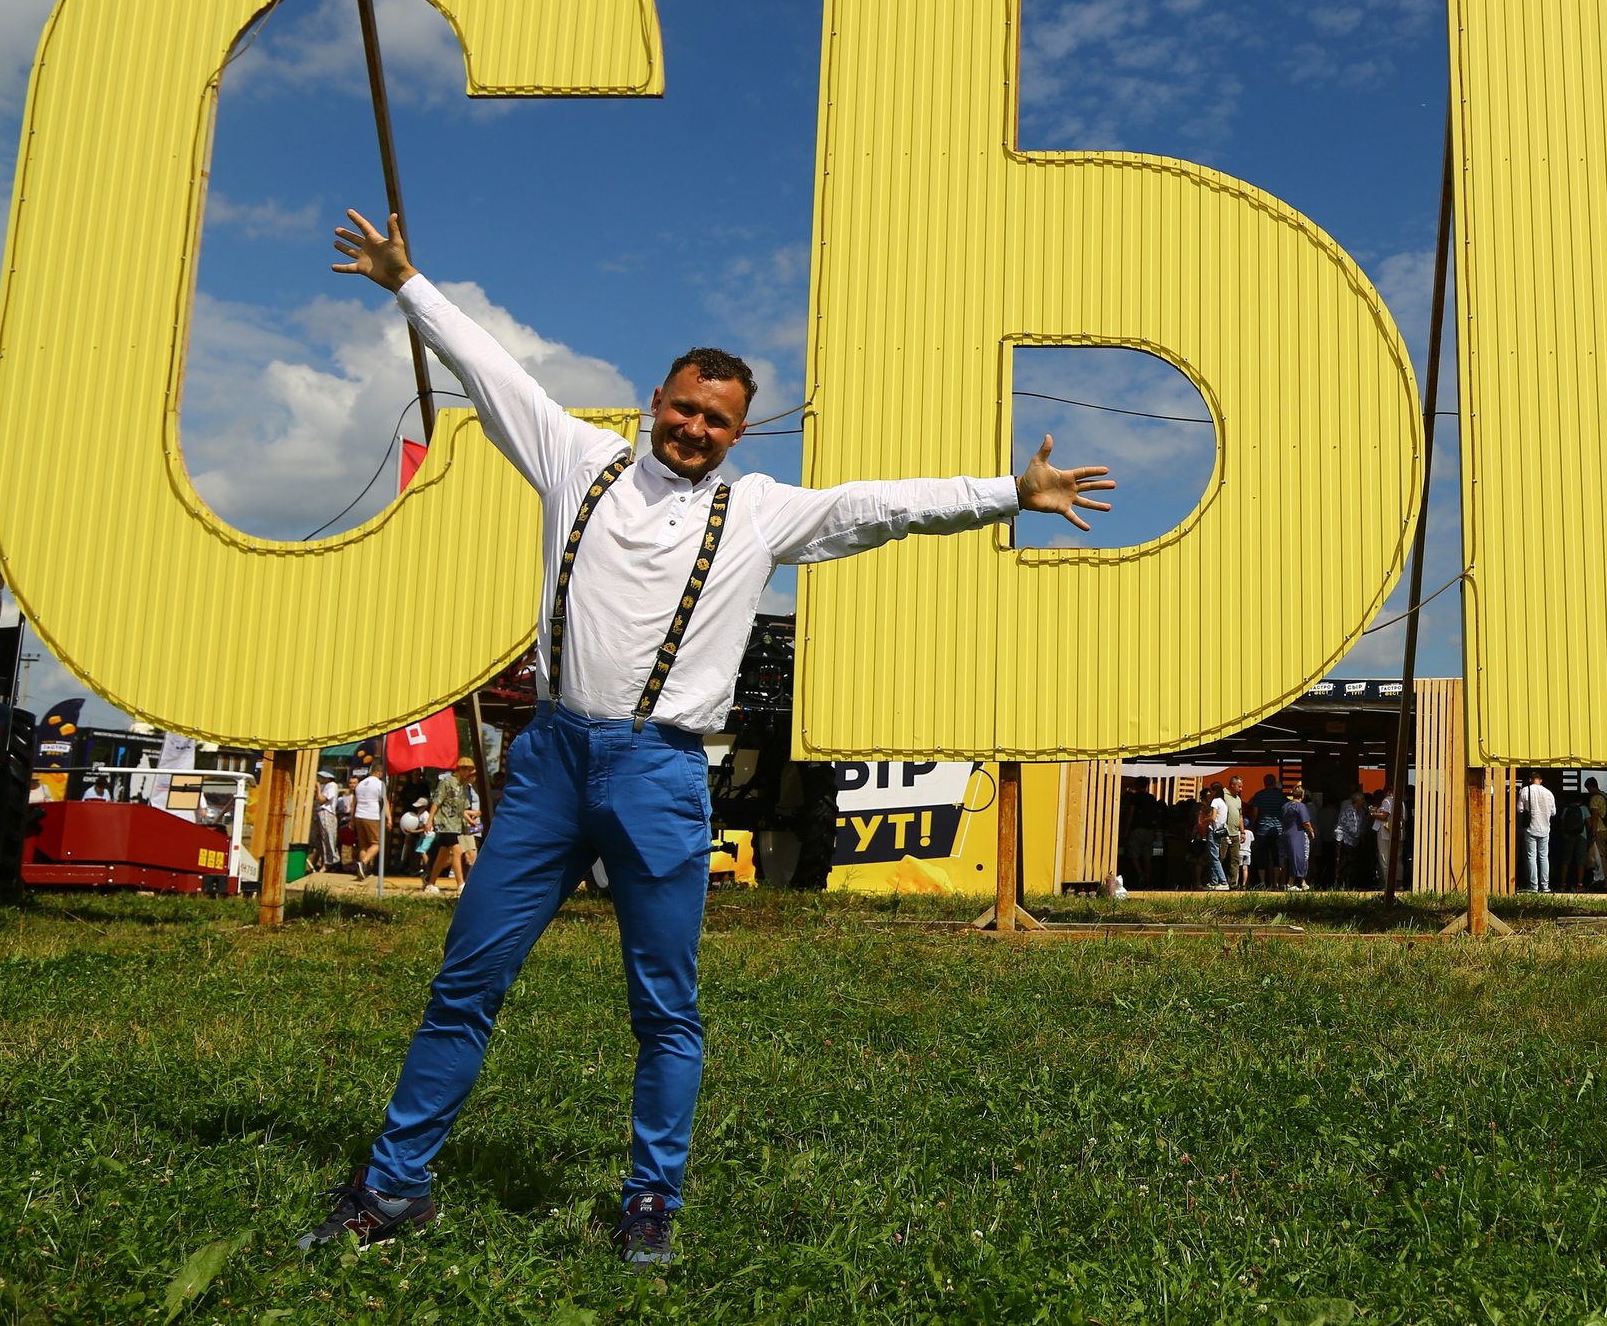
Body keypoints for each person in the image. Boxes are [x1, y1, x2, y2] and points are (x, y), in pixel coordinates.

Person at [296, 208, 1115, 1266]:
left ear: (738, 433)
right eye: (683, 409)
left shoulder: (760, 513)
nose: (693, 429)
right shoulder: (577, 460)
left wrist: (1008, 492)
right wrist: (408, 283)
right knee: (467, 981)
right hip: (549, 760)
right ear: (656, 403)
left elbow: (883, 506)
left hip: (663, 773)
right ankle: (393, 1188)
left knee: (665, 1007)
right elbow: (491, 369)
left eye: (715, 421)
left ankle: (652, 1200)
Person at [424, 760, 473, 893]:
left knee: (443, 853)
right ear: (461, 769)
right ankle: (461, 884)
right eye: (468, 770)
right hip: (444, 822)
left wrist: (469, 820)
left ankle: (431, 883)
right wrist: (430, 820)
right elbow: (437, 801)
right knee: (457, 850)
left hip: (455, 824)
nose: (469, 773)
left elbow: (461, 808)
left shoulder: (464, 786)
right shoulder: (446, 782)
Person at [1511, 771, 1554, 894]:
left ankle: (1533, 886)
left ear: (1530, 779)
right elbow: (1553, 812)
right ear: (1541, 780)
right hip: (1545, 829)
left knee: (1531, 857)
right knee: (1544, 857)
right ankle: (1545, 886)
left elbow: (1519, 809)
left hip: (1530, 828)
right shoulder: (1549, 793)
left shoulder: (1525, 790)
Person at [1251, 776, 1286, 889]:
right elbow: (1284, 813)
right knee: (1277, 857)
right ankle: (1275, 883)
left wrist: (1252, 825)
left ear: (1264, 782)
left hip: (1262, 830)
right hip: (1277, 830)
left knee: (1262, 857)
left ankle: (1262, 882)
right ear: (1274, 783)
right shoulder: (1281, 797)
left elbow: (1255, 813)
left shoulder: (1259, 795)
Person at [350, 767, 385, 878]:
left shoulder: (360, 784)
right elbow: (384, 802)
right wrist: (388, 818)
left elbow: (353, 803)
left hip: (359, 815)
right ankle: (363, 863)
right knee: (377, 843)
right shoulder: (379, 784)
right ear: (379, 772)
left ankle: (364, 871)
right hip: (372, 816)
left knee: (363, 845)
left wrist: (352, 820)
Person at [1330, 789, 1363, 892]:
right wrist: (1359, 835)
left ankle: (1347, 883)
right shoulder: (1350, 811)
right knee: (1342, 862)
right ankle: (1339, 884)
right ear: (1358, 801)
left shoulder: (1357, 812)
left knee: (1349, 863)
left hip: (1351, 841)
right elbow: (1351, 828)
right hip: (1344, 839)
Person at [1282, 786, 1314, 891]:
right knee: (1301, 857)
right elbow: (1306, 822)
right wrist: (1311, 831)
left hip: (1286, 834)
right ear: (1302, 795)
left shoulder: (1285, 806)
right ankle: (1291, 883)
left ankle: (1301, 882)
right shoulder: (1300, 806)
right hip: (1297, 834)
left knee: (1292, 858)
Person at [1583, 779, 1607, 889]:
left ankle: (1604, 883)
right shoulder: (1605, 795)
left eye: (1588, 789)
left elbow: (1594, 818)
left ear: (1590, 786)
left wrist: (1593, 834)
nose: (1588, 791)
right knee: (1604, 856)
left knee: (1600, 858)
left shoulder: (1594, 798)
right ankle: (1604, 882)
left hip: (1599, 830)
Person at [314, 774, 342, 873]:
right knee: (319, 839)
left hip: (327, 813)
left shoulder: (332, 785)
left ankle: (331, 862)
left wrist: (317, 787)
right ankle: (325, 861)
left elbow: (322, 800)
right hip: (320, 813)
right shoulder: (324, 786)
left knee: (328, 838)